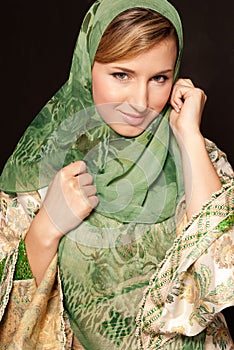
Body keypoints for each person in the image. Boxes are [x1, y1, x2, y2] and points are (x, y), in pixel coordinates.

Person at [0, 0, 233, 348]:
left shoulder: (200, 155)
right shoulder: (39, 168)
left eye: (159, 78)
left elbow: (223, 272)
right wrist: (46, 227)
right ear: (86, 68)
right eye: (121, 75)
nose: (140, 101)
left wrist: (189, 138)